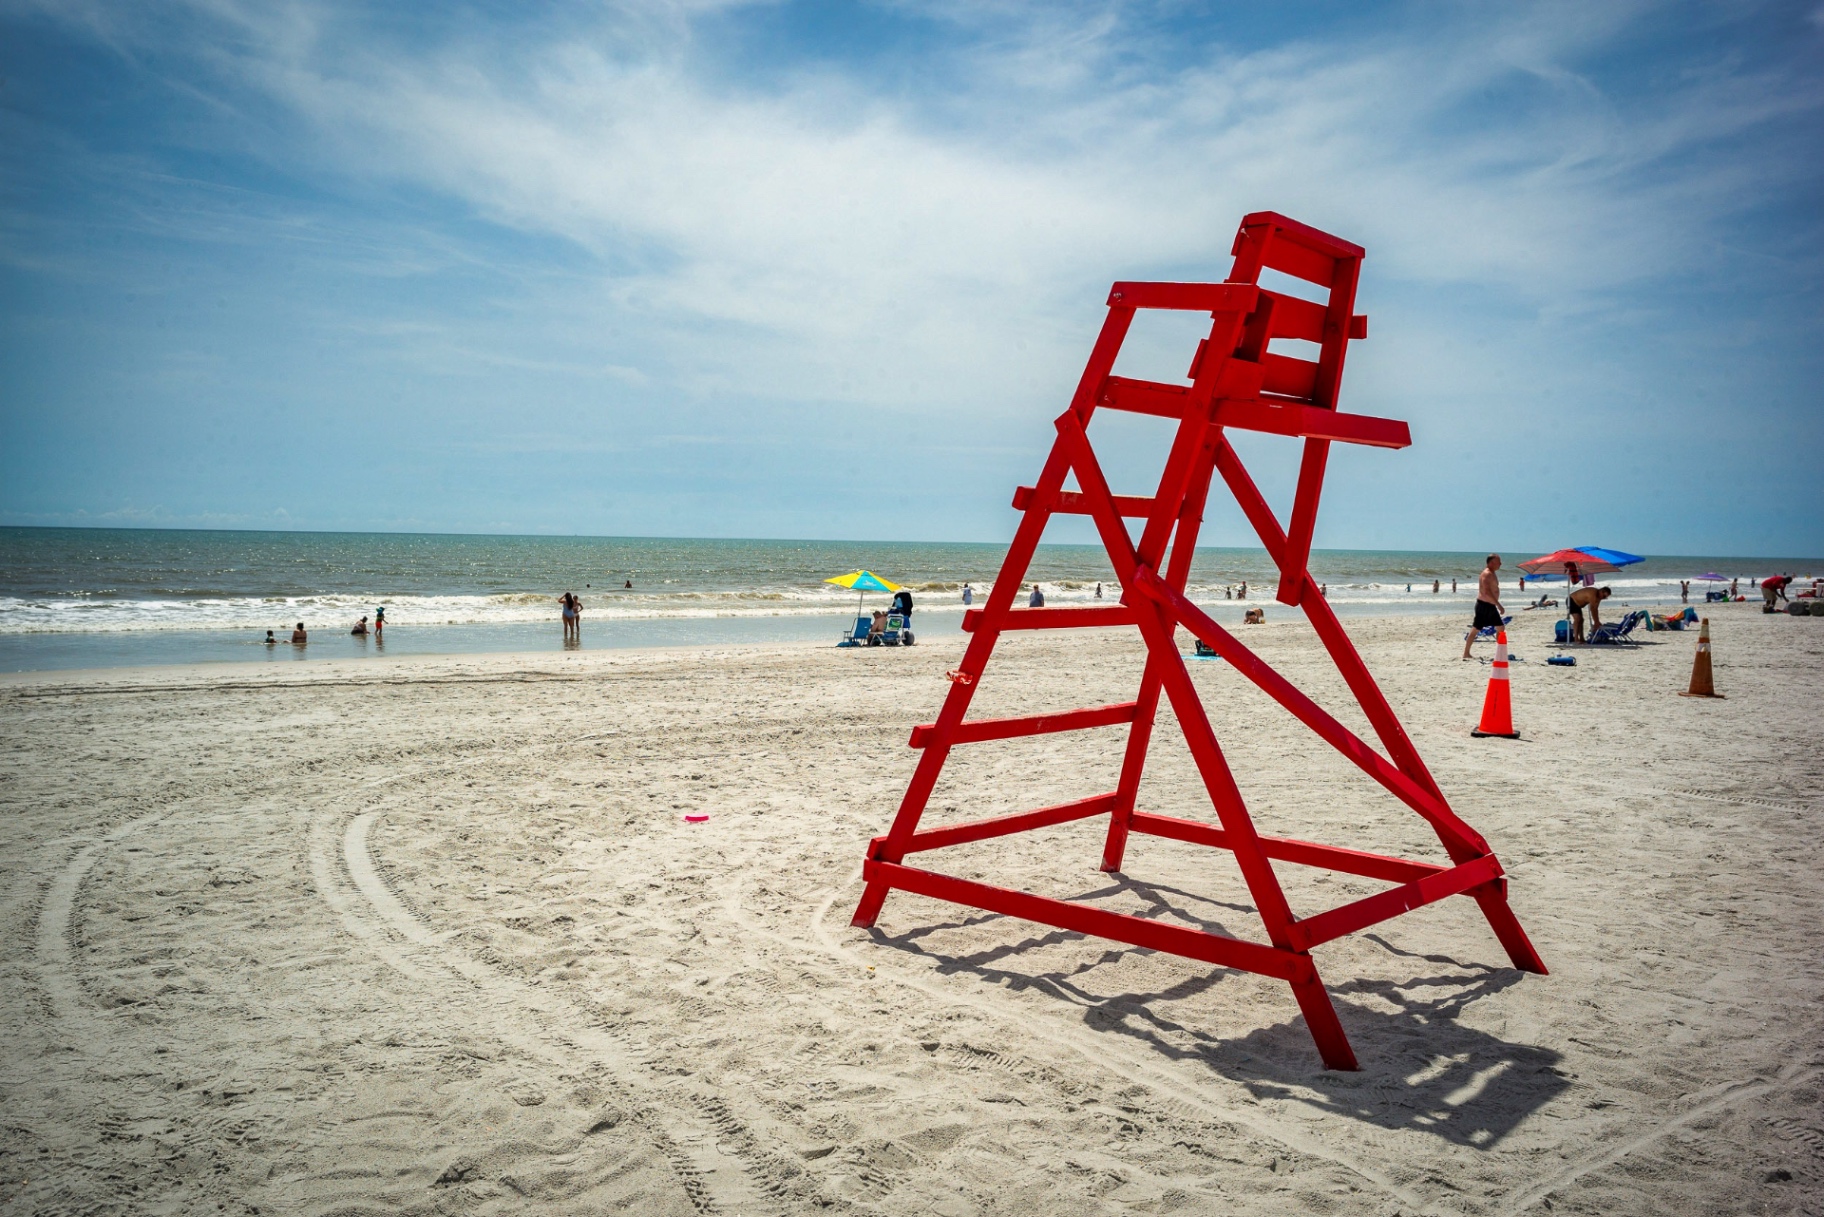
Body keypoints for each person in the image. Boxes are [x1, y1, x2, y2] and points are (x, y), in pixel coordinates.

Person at [1462, 555, 1505, 660]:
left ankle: (1499, 652)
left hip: (1488, 605)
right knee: (1478, 628)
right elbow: (1486, 591)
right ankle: (1466, 653)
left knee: (1499, 627)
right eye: (1498, 562)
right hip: (1484, 605)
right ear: (1491, 563)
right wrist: (1498, 604)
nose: (1500, 564)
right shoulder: (1487, 574)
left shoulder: (1492, 573)